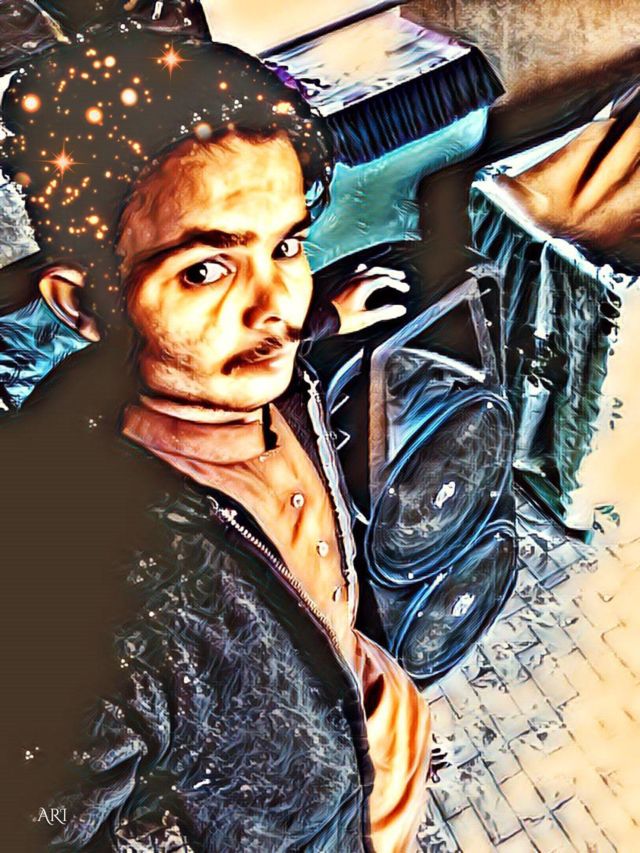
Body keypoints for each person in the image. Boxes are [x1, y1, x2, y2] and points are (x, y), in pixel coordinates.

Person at [0, 18, 431, 852]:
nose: (276, 307)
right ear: (81, 303)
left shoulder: (234, 366)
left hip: (363, 725)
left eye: (287, 245)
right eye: (204, 268)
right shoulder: (96, 597)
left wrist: (327, 317)